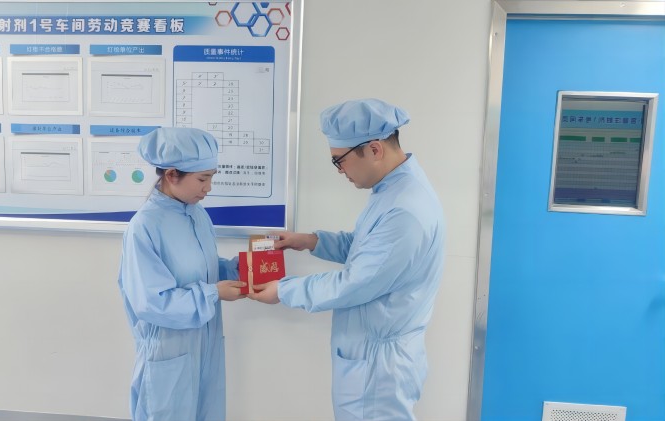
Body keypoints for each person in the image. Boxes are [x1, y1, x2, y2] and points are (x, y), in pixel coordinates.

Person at [250, 98, 445, 421]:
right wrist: (310, 241)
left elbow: (356, 282)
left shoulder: (404, 209)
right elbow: (367, 250)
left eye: (339, 161)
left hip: (379, 370)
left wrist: (283, 291)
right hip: (370, 359)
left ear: (374, 149)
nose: (340, 171)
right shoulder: (392, 190)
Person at [117, 127, 246, 421]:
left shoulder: (197, 214)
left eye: (211, 177)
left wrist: (237, 268)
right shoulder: (144, 226)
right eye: (202, 179)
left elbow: (200, 268)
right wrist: (213, 293)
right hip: (169, 350)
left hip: (205, 344)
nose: (208, 188)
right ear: (172, 175)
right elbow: (152, 302)